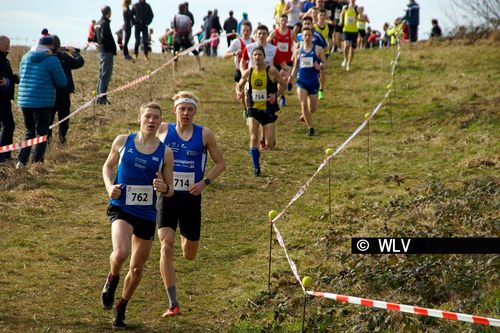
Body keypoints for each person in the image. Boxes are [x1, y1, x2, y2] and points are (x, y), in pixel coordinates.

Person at [101, 102, 174, 329]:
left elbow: (170, 189)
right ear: (139, 118)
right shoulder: (123, 141)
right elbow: (107, 166)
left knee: (136, 268)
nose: (151, 121)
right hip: (121, 206)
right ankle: (112, 279)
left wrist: (163, 187)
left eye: (156, 118)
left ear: (161, 122)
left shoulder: (165, 152)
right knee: (121, 252)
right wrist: (109, 186)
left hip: (146, 213)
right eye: (148, 117)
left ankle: (121, 307)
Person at [156, 91, 225, 317]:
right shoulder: (163, 131)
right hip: (167, 196)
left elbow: (220, 164)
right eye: (181, 108)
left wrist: (204, 182)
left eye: (190, 109)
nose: (185, 113)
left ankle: (186, 243)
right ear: (174, 110)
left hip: (192, 198)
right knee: (166, 245)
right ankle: (173, 302)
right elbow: (148, 153)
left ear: (195, 112)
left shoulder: (204, 134)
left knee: (189, 254)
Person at [16, 36, 67, 168]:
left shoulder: (25, 57)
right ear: (50, 46)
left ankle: (21, 161)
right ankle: (37, 163)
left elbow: (21, 76)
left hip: (25, 101)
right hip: (42, 102)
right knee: (41, 133)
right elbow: (62, 82)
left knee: (29, 131)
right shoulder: (52, 60)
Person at [237, 46, 286, 176]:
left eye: (260, 54)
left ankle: (266, 140)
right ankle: (256, 167)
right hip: (253, 109)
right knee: (253, 138)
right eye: (255, 55)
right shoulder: (249, 72)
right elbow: (240, 84)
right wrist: (238, 91)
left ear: (264, 57)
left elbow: (283, 84)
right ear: (252, 57)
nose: (257, 57)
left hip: (268, 109)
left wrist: (276, 95)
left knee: (270, 144)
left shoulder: (271, 71)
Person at [289, 27, 326, 136]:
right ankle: (311, 128)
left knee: (312, 109)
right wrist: (291, 77)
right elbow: (295, 66)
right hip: (302, 81)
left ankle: (305, 115)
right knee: (303, 103)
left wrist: (320, 66)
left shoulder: (318, 49)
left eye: (309, 35)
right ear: (302, 37)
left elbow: (325, 64)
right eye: (305, 35)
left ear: (313, 37)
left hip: (313, 82)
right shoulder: (298, 51)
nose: (307, 37)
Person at [48, 36, 84, 145]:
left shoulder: (45, 58)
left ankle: (47, 140)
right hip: (63, 93)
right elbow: (79, 62)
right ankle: (62, 139)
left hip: (48, 93)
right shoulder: (63, 56)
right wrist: (74, 52)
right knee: (64, 118)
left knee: (48, 118)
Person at [267, 14, 294, 106]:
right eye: (281, 20)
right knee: (278, 80)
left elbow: (297, 43)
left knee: (284, 77)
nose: (283, 22)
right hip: (277, 60)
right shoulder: (274, 32)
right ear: (279, 22)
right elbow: (267, 41)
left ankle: (289, 82)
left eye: (285, 21)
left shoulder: (291, 32)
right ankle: (282, 97)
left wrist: (297, 48)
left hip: (288, 60)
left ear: (287, 22)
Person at [0, 35, 19, 163]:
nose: (8, 47)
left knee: (9, 126)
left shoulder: (4, 59)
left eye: (9, 44)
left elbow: (7, 77)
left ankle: (5, 155)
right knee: (7, 126)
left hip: (5, 98)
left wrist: (16, 78)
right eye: (6, 44)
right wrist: (8, 80)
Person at [171, 3, 202, 74]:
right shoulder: (187, 18)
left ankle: (175, 72)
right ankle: (200, 66)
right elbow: (189, 29)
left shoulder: (174, 17)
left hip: (176, 38)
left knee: (175, 55)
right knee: (195, 52)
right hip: (185, 38)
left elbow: (172, 27)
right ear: (184, 9)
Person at [95, 6, 116, 105]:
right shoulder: (105, 23)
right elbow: (104, 37)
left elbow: (95, 37)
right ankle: (101, 98)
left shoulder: (98, 23)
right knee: (105, 75)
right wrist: (112, 46)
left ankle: (99, 96)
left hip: (101, 51)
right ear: (109, 12)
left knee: (101, 75)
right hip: (106, 51)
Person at [314, 8, 333, 99]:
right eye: (320, 15)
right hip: (315, 52)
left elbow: (329, 38)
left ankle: (321, 90)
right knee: (315, 71)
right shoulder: (314, 27)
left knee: (322, 70)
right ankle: (314, 87)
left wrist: (330, 46)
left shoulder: (327, 27)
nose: (322, 17)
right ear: (317, 16)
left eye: (323, 15)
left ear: (326, 16)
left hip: (325, 51)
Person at [339, 0, 358, 71]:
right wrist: (341, 21)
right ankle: (345, 59)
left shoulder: (356, 8)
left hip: (354, 31)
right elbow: (341, 14)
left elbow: (359, 16)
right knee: (346, 45)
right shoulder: (345, 7)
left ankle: (348, 64)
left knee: (352, 49)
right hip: (346, 30)